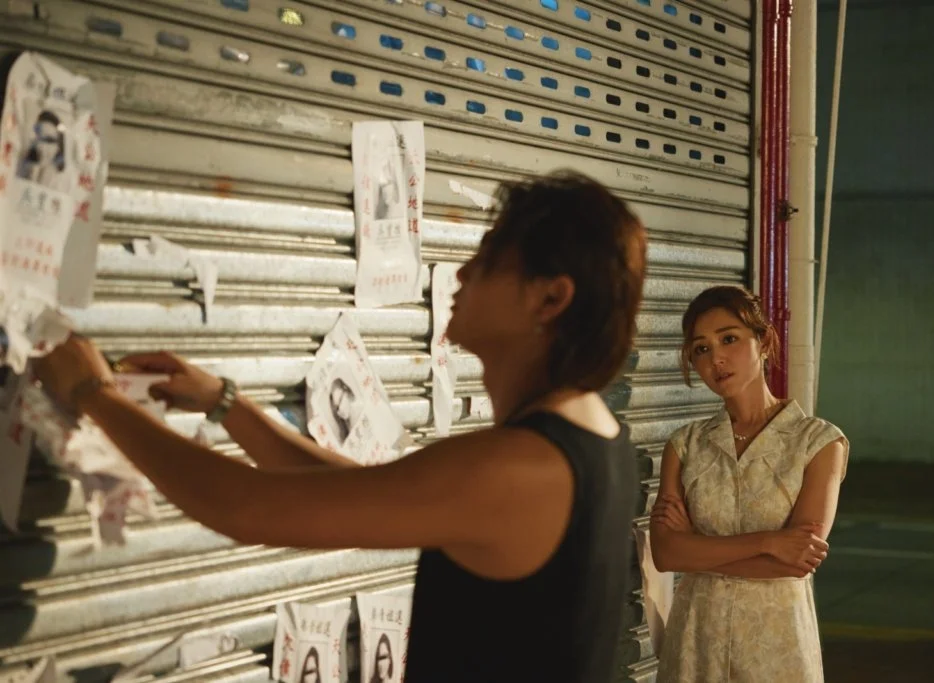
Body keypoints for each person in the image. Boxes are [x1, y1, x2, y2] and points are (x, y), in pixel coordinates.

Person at [34, 170, 647, 683]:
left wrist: (93, 393)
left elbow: (245, 507)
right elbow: (360, 491)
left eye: (487, 261)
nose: (461, 274)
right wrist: (227, 405)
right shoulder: (594, 440)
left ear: (550, 299)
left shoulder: (520, 466)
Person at [650, 285, 849, 683]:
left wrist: (697, 548)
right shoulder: (685, 445)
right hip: (696, 643)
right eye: (701, 349)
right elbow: (666, 554)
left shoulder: (818, 442)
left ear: (764, 341)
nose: (716, 358)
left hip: (777, 647)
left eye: (729, 339)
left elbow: (797, 562)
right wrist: (769, 542)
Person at [16, 110, 66, 191]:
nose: (41, 147)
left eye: (49, 140)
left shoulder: (63, 183)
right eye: (38, 139)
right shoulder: (22, 168)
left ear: (59, 146)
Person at [326, 376, 357, 444]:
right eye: (337, 408)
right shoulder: (346, 432)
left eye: (340, 400)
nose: (339, 412)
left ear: (347, 392)